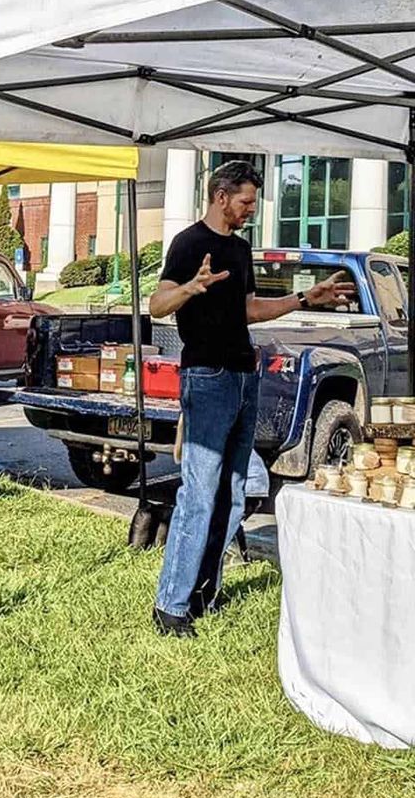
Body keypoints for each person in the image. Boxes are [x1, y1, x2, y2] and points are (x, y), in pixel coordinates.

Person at [149, 160, 353, 638]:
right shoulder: (189, 244)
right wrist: (191, 287)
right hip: (208, 377)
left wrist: (305, 298)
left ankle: (204, 593)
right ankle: (170, 605)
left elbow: (248, 309)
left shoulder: (240, 251)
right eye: (244, 202)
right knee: (199, 492)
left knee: (235, 493)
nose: (249, 211)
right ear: (221, 196)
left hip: (244, 378)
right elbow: (157, 305)